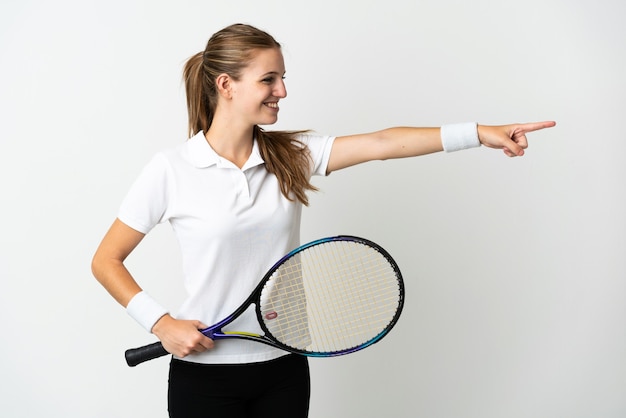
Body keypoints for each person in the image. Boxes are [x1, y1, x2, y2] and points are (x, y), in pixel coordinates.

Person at [91, 23, 555, 418]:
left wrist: (479, 134)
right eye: (268, 80)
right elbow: (106, 261)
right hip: (203, 381)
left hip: (285, 370)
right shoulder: (171, 169)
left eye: (283, 78)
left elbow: (382, 143)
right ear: (226, 85)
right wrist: (160, 323)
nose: (283, 91)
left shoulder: (290, 156)